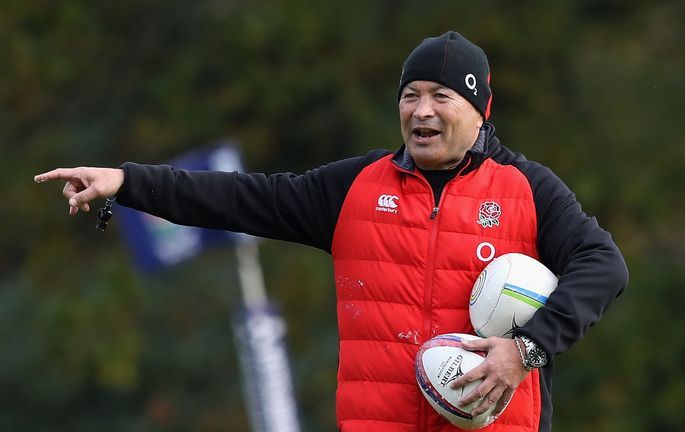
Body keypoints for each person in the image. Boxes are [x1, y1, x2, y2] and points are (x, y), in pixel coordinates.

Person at [35, 31, 628, 432]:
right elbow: (242, 198)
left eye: (441, 96)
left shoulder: (528, 189)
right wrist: (127, 181)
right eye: (410, 95)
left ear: (481, 110)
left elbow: (603, 265)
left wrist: (524, 350)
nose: (421, 110)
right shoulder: (355, 188)